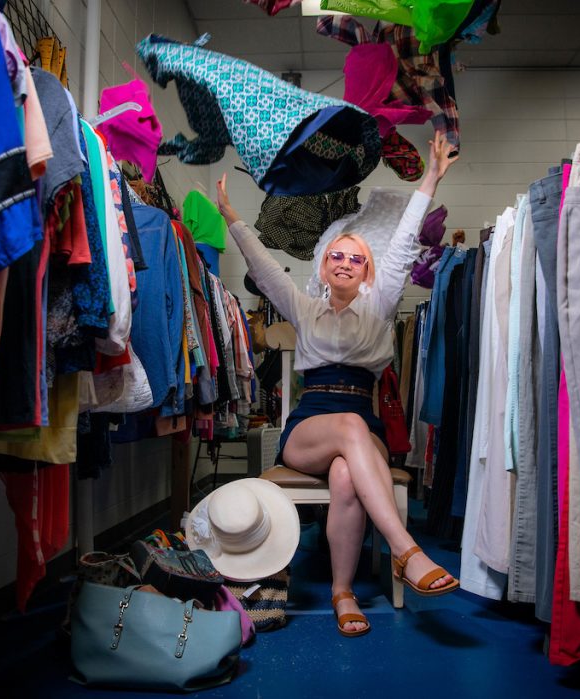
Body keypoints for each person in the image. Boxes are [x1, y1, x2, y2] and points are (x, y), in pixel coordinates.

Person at [216, 132, 459, 638]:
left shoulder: (380, 303)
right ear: (324, 267)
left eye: (356, 258)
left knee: (348, 475)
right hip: (310, 427)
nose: (346, 262)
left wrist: (432, 175)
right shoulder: (304, 308)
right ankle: (405, 551)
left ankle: (342, 592)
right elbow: (262, 266)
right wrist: (231, 217)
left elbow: (404, 240)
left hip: (361, 427)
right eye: (337, 257)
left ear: (367, 270)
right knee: (348, 427)